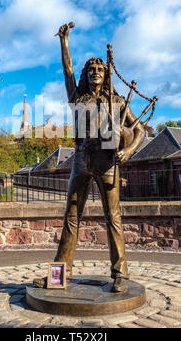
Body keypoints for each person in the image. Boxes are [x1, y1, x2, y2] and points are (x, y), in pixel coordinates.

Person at [34, 23, 144, 293]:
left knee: (112, 217)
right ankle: (59, 276)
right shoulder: (77, 98)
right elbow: (67, 70)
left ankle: (120, 274)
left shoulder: (117, 102)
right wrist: (64, 42)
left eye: (100, 69)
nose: (95, 72)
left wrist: (128, 150)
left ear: (106, 74)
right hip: (81, 160)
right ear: (86, 75)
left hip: (107, 163)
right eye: (91, 70)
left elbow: (139, 130)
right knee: (71, 217)